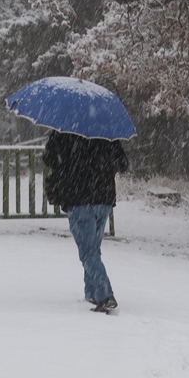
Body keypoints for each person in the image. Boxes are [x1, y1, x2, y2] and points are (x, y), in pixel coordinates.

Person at [42, 130, 129, 313]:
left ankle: (105, 295)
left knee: (88, 252)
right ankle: (92, 293)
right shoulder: (106, 131)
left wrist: (68, 162)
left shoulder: (64, 131)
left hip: (78, 198)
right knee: (93, 249)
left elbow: (49, 158)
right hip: (104, 198)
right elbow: (122, 164)